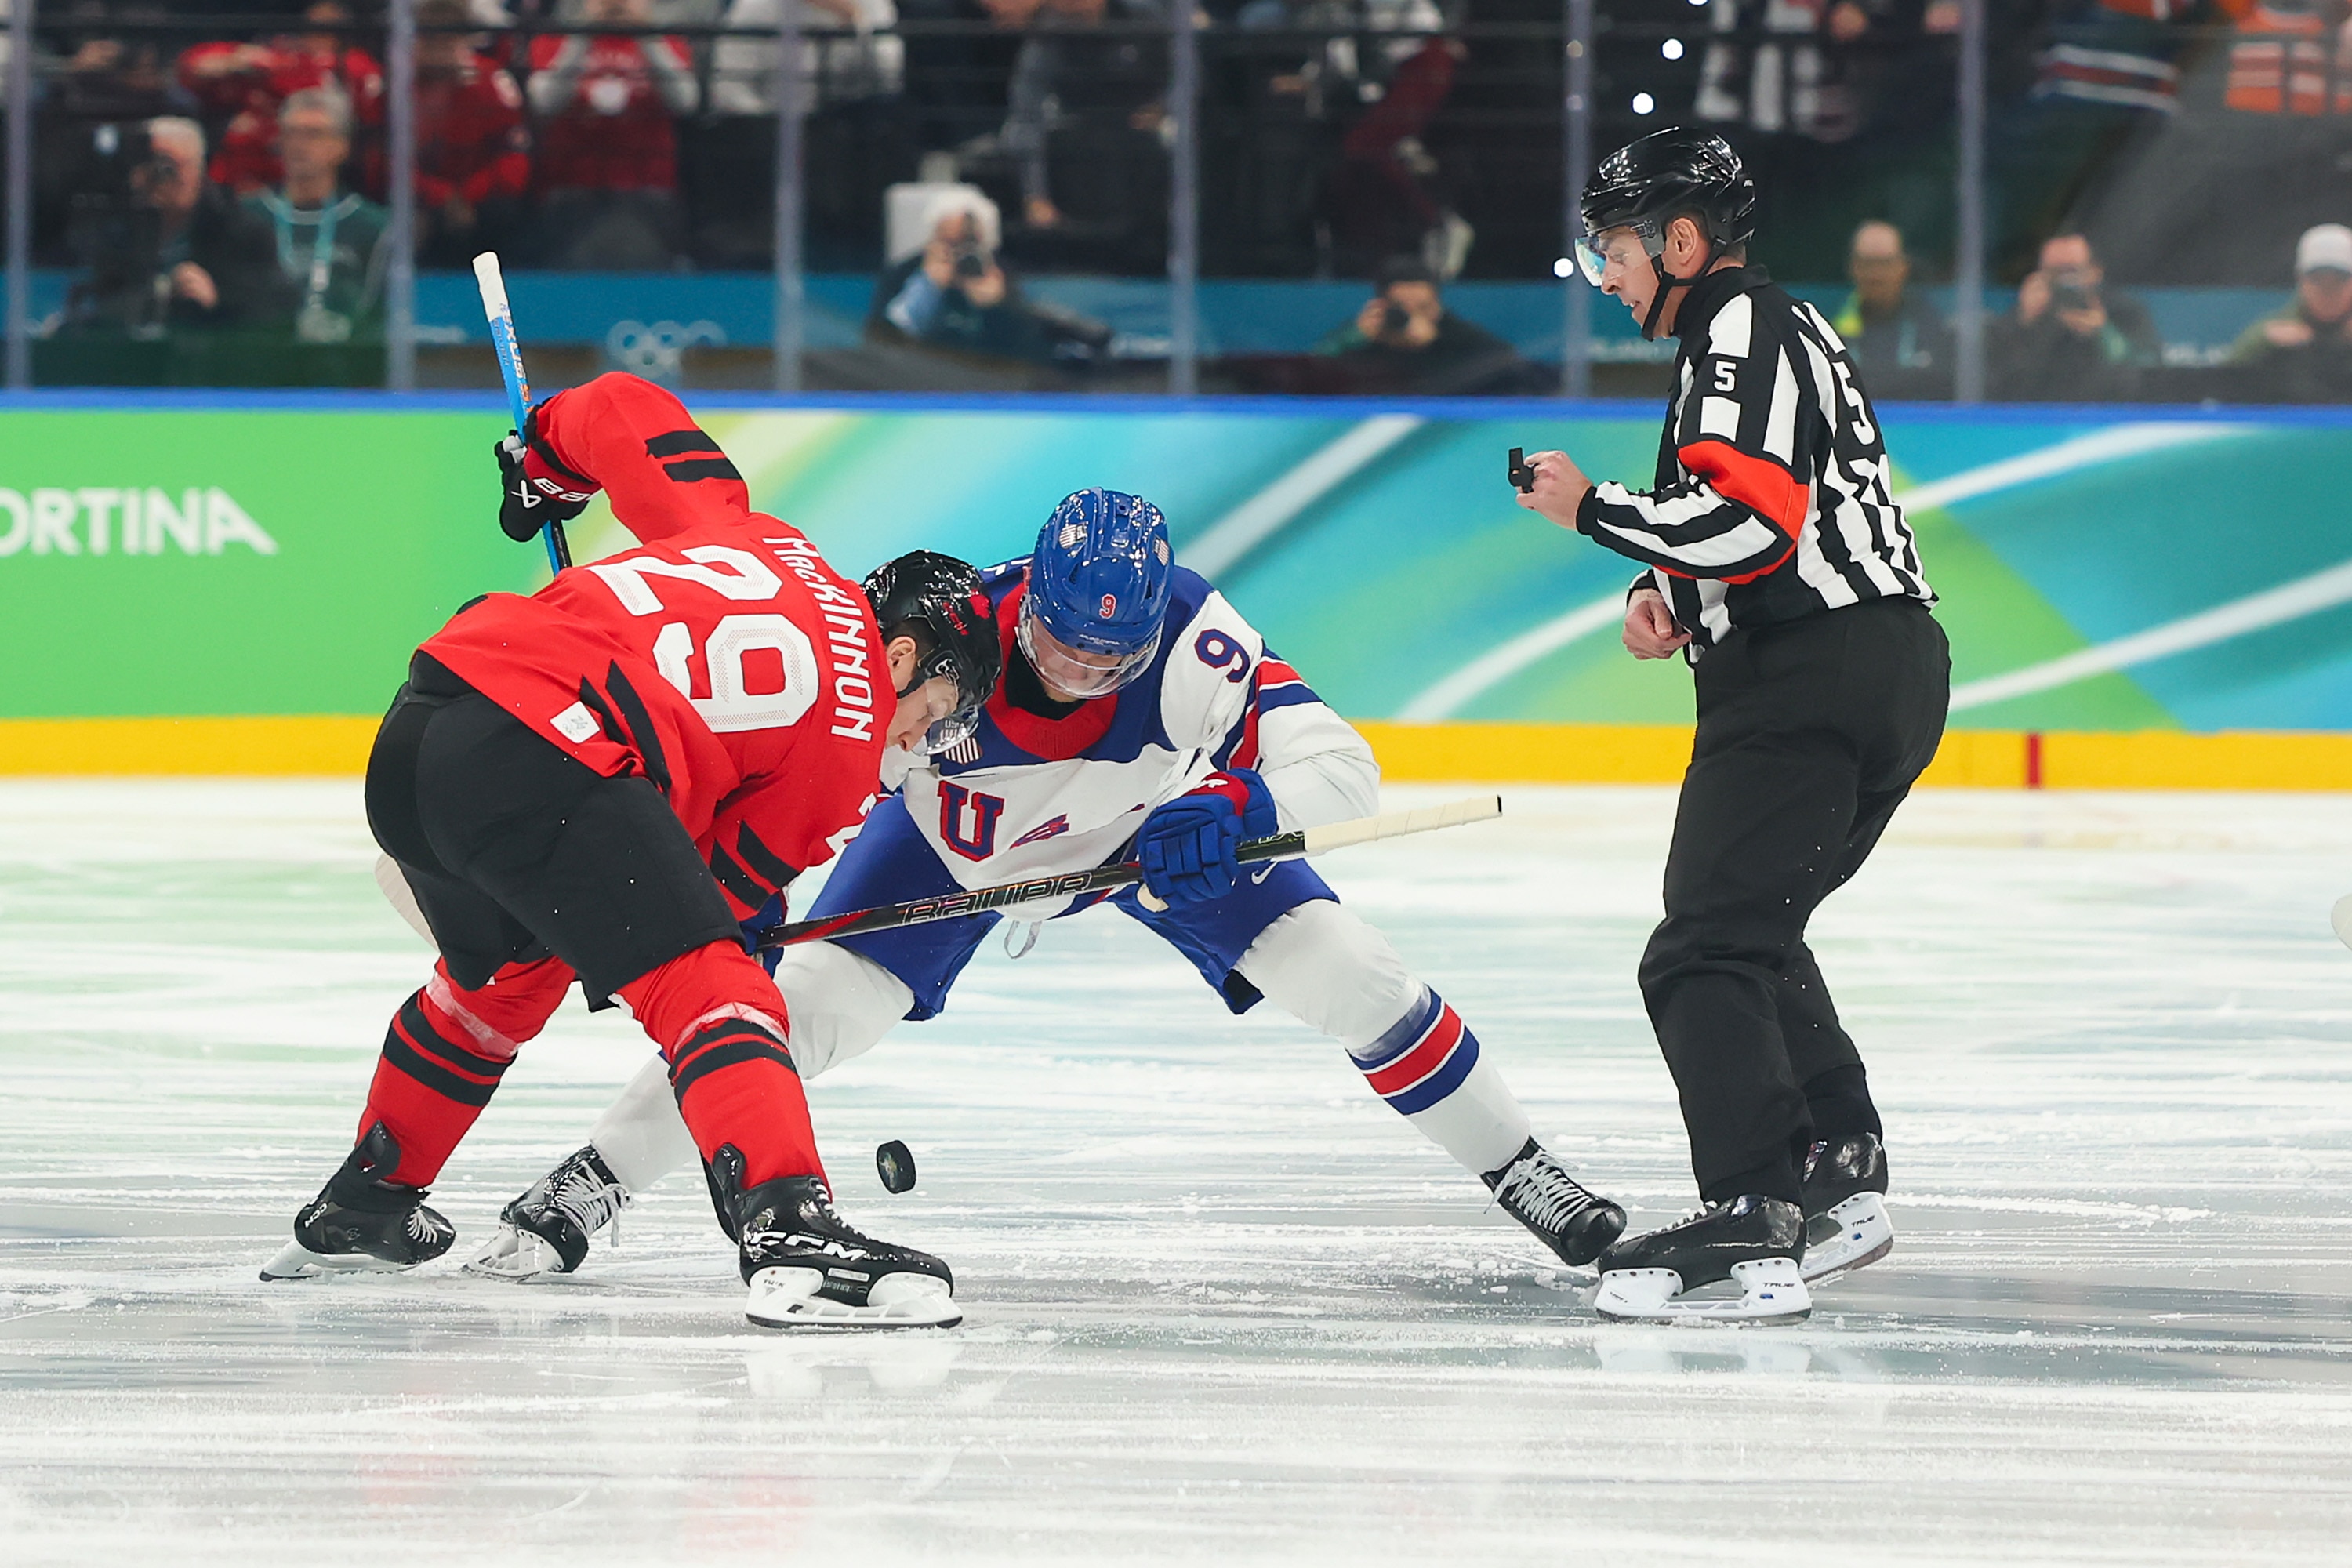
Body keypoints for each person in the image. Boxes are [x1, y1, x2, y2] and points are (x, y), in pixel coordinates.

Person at [466, 488, 1628, 1286]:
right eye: (1062, 646)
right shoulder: (944, 637)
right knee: (790, 1015)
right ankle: (590, 1184)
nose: (1079, 673)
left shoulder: (1199, 639)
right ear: (1026, 608)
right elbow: (816, 767)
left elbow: (1347, 769)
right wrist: (749, 884)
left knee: (1357, 977)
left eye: (1107, 661)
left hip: (1148, 839)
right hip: (953, 848)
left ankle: (1523, 1166)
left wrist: (1233, 807)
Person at [260, 372, 1002, 1331]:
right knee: (713, 984)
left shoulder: (762, 536)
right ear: (902, 657)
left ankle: (363, 1204)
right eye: (932, 712)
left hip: (428, 722)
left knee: (503, 983)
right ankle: (787, 1227)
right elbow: (714, 907)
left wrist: (545, 468)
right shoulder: (851, 731)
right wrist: (746, 941)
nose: (913, 741)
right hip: (546, 750)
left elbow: (620, 408)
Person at [1515, 128, 1946, 1324]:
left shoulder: (1735, 330)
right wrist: (1674, 597)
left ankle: (1751, 1219)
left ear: (1682, 242)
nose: (1606, 276)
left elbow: (1751, 522)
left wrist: (1592, 509)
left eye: (1615, 249)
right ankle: (1837, 1170)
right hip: (1883, 663)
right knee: (1752, 929)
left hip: (1810, 673)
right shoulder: (1785, 327)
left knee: (1701, 950)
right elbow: (1781, 517)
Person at [61, 116, 296, 336]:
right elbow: (94, 302)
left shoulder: (241, 231)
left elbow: (277, 308)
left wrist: (219, 299)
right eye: (149, 164)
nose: (160, 178)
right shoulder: (115, 230)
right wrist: (159, 295)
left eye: (169, 166)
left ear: (199, 170)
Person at [526, 0, 699, 269]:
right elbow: (544, 102)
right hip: (573, 187)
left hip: (647, 188)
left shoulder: (667, 43)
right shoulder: (555, 41)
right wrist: (582, 38)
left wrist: (647, 38)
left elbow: (685, 101)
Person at [176, 0, 385, 196]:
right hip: (242, 176)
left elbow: (367, 116)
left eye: (327, 30)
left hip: (306, 180)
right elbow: (191, 68)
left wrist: (279, 67)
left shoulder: (352, 67)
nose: (316, 36)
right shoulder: (271, 58)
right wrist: (236, 60)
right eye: (312, 27)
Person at [245, 87, 388, 345]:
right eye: (291, 133)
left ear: (342, 147)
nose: (299, 145)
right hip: (262, 361)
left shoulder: (374, 226)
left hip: (346, 364)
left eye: (314, 134)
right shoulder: (247, 217)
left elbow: (380, 312)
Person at [411, 0, 530, 269]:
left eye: (447, 40)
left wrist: (469, 195)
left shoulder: (490, 81)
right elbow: (383, 162)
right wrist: (441, 195)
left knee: (504, 214)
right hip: (420, 200)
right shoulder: (398, 85)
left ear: (463, 41)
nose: (438, 50)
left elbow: (514, 160)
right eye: (430, 40)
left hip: (478, 201)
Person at [1313, 257, 1540, 395]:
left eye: (1423, 307)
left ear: (1437, 305)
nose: (1412, 316)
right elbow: (1311, 376)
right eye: (1401, 307)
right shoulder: (1365, 334)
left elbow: (1507, 366)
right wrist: (1353, 338)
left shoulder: (1456, 335)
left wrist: (1434, 342)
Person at [1991, 231, 2162, 401]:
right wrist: (2024, 323)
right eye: (2054, 274)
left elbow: (2147, 372)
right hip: (2038, 413)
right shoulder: (2023, 318)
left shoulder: (2124, 312)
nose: (2064, 283)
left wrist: (2103, 333)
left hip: (2104, 414)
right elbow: (1993, 380)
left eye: (2072, 273)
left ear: (2096, 272)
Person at [2229, 221, 2352, 401]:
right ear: (2300, 281)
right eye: (2317, 281)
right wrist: (2263, 340)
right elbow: (2227, 382)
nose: (2327, 293)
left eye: (2337, 283)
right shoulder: (2273, 331)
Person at [1831, 219, 1950, 397]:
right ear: (1853, 268)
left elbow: (1943, 386)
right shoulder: (1831, 331)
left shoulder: (1931, 325)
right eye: (1867, 263)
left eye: (1885, 263)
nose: (1876, 274)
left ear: (1903, 267)